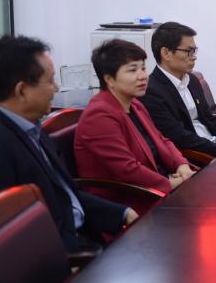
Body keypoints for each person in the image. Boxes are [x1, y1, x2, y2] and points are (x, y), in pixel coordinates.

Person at [0, 35, 136, 253]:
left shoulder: (30, 126)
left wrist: (122, 213)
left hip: (83, 238)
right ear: (21, 90)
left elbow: (64, 196)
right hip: (58, 257)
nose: (56, 88)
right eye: (50, 80)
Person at [76, 39, 193, 194]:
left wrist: (181, 164)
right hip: (134, 197)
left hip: (161, 184)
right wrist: (173, 183)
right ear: (109, 79)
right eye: (132, 70)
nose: (143, 76)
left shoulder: (135, 104)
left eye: (143, 68)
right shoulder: (98, 116)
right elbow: (127, 170)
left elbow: (161, 140)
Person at [141, 22, 216, 158]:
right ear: (166, 53)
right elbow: (179, 137)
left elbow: (210, 120)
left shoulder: (192, 80)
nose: (194, 56)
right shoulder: (151, 92)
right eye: (188, 51)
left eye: (194, 50)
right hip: (197, 156)